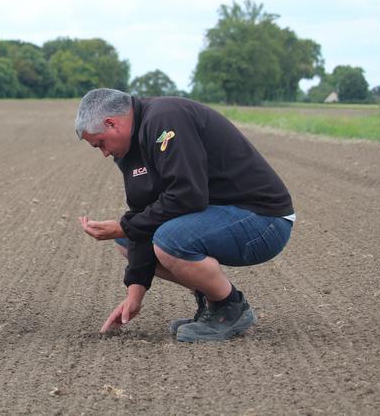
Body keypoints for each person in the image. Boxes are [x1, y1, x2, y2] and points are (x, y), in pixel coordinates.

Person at [75, 88, 294, 342]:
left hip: (263, 219)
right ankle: (213, 304)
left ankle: (229, 308)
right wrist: (134, 297)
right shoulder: (129, 151)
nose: (103, 152)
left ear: (112, 123)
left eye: (100, 143)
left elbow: (187, 195)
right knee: (127, 240)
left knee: (169, 240)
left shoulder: (164, 119)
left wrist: (124, 226)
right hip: (223, 215)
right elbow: (142, 217)